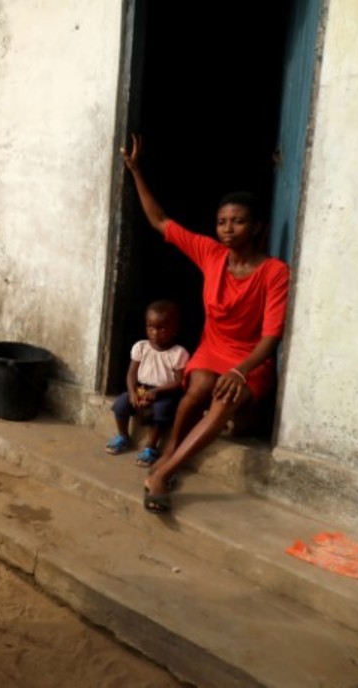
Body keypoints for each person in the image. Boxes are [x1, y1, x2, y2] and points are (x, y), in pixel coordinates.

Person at [122, 133, 289, 513]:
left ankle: (164, 473)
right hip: (212, 350)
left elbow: (271, 337)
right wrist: (136, 171)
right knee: (197, 388)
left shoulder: (275, 272)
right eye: (222, 222)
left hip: (250, 359)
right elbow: (160, 221)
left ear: (256, 227)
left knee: (222, 398)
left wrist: (241, 371)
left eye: (238, 222)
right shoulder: (210, 253)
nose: (228, 229)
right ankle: (170, 452)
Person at [104, 300, 189, 467]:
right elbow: (131, 374)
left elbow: (180, 381)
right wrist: (132, 393)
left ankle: (151, 446)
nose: (155, 333)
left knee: (162, 410)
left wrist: (157, 391)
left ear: (174, 329)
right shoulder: (141, 347)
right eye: (150, 327)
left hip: (165, 393)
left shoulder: (178, 353)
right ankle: (123, 435)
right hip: (141, 389)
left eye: (161, 328)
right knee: (121, 403)